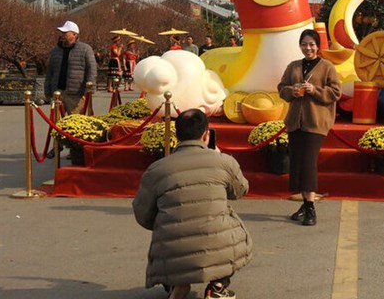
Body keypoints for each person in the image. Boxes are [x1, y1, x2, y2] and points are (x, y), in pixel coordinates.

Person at [132, 109, 252, 299]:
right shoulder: (224, 162)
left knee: (167, 232)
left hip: (172, 249)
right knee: (231, 225)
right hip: (216, 242)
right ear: (206, 134)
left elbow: (142, 214)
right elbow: (240, 191)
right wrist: (219, 158)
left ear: (177, 134)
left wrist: (164, 223)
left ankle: (176, 283)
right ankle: (218, 286)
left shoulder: (157, 169)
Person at [277, 29, 341, 226]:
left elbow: (336, 92)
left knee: (308, 162)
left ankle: (311, 206)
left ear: (318, 46)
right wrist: (292, 91)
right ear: (300, 45)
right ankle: (305, 204)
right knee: (297, 162)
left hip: (316, 122)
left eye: (312, 44)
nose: (308, 48)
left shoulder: (327, 67)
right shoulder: (293, 66)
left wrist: (315, 90)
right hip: (295, 122)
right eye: (304, 44)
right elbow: (281, 88)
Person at [44, 21, 97, 115]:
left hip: (76, 94)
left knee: (75, 125)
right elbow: (50, 72)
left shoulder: (85, 49)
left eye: (65, 33)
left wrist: (89, 90)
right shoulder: (56, 50)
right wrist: (47, 90)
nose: (62, 35)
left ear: (74, 34)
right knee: (57, 124)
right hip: (58, 93)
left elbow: (91, 70)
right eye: (62, 33)